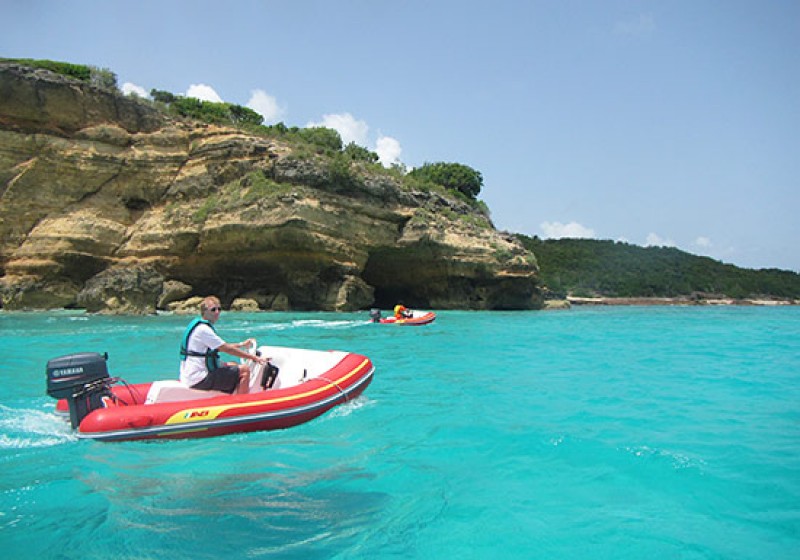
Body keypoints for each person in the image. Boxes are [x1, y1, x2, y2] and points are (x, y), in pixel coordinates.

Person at [179, 296, 267, 394]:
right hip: (200, 378)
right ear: (204, 311)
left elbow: (220, 347)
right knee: (244, 371)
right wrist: (253, 358)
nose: (217, 312)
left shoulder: (199, 327)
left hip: (189, 376)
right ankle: (241, 404)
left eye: (219, 309)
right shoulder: (204, 330)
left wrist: (241, 344)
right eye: (213, 310)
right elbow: (227, 349)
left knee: (232, 364)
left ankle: (231, 396)